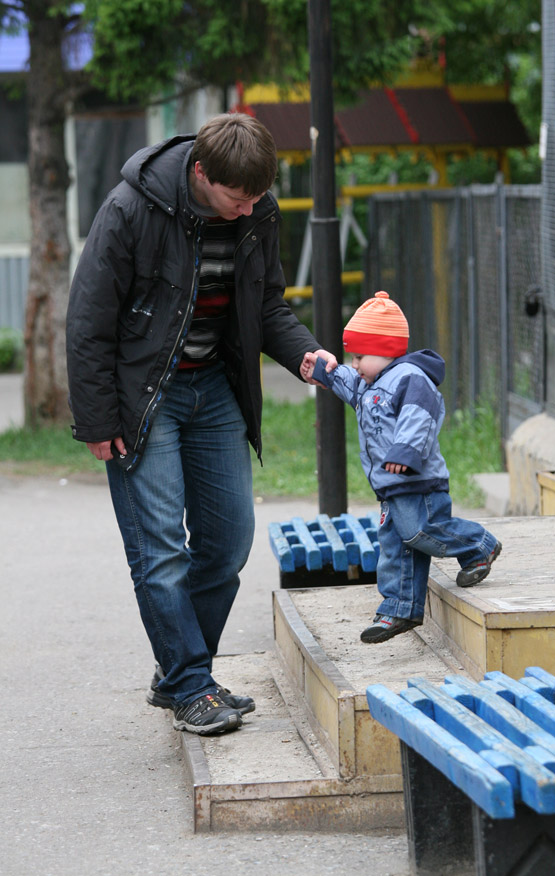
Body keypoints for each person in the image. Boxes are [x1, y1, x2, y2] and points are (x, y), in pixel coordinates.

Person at [66, 113, 337, 736]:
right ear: (200, 173)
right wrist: (97, 419)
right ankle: (191, 683)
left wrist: (304, 355)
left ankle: (182, 675)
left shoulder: (257, 211)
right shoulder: (131, 208)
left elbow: (266, 304)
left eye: (257, 198)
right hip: (144, 396)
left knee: (229, 541)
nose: (247, 211)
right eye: (236, 198)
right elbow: (88, 320)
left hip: (213, 388)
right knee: (160, 549)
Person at [301, 291, 502, 644]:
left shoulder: (410, 378)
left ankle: (479, 545)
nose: (355, 364)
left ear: (384, 350)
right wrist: (323, 370)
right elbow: (347, 381)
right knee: (395, 545)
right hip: (391, 485)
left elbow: (418, 419)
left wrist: (405, 452)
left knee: (421, 530)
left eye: (360, 356)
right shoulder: (370, 384)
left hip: (418, 481)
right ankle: (399, 607)